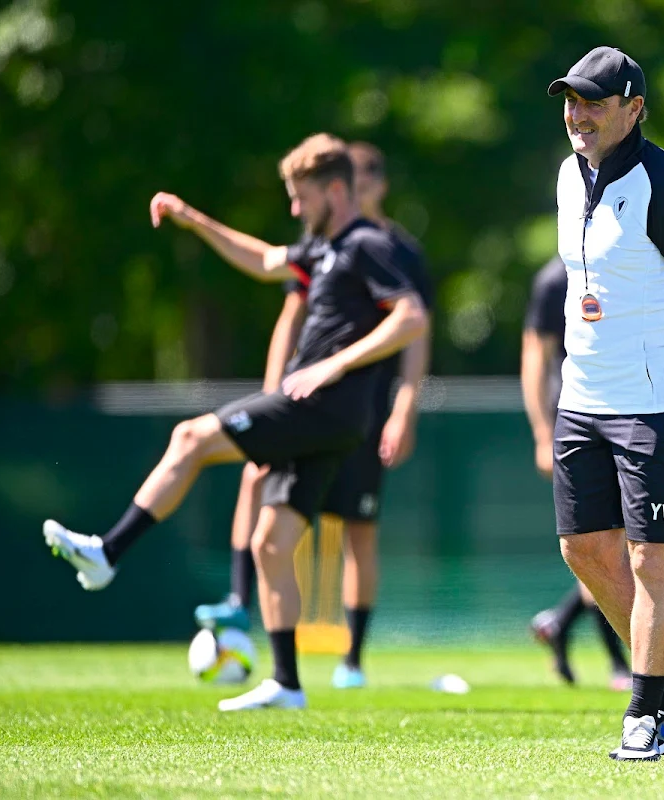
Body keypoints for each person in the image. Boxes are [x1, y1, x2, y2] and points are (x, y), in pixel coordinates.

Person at [42, 133, 430, 711]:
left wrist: (332, 367)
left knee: (190, 436)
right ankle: (288, 684)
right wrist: (193, 219)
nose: (295, 211)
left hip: (322, 408)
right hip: (328, 419)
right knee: (272, 543)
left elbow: (411, 318)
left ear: (333, 190)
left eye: (301, 198)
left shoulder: (368, 244)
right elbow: (264, 259)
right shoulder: (319, 248)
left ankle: (108, 553)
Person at [179, 142, 433, 689]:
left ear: (374, 187)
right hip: (307, 401)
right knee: (260, 494)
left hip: (360, 407)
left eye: (366, 185)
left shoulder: (392, 249)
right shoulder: (323, 244)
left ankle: (352, 660)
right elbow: (291, 311)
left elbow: (416, 327)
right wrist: (272, 399)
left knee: (359, 530)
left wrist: (404, 407)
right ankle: (240, 604)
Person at [546, 47, 664, 760]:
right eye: (571, 100)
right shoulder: (569, 175)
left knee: (654, 559)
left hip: (660, 397)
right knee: (583, 549)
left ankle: (646, 712)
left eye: (595, 101)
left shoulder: (662, 182)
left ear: (635, 109)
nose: (578, 114)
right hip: (586, 392)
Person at [523, 255, 630, 690]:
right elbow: (535, 357)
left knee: (612, 546)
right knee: (604, 544)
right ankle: (620, 664)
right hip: (576, 422)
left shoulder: (624, 267)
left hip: (622, 416)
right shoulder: (553, 278)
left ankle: (561, 625)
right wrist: (540, 432)